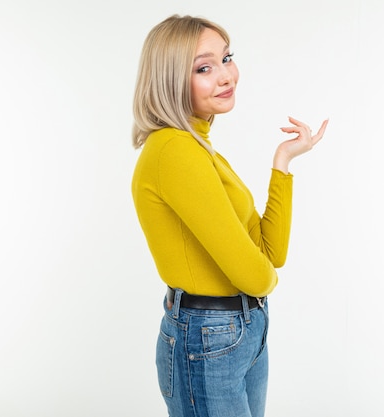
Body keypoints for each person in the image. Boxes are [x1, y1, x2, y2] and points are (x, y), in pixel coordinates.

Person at [130, 14, 328, 417]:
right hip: (209, 335)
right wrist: (263, 281)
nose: (226, 75)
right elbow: (258, 275)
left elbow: (271, 253)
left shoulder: (200, 149)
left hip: (240, 330)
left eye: (226, 58)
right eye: (204, 68)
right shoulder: (175, 152)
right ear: (170, 80)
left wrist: (283, 161)